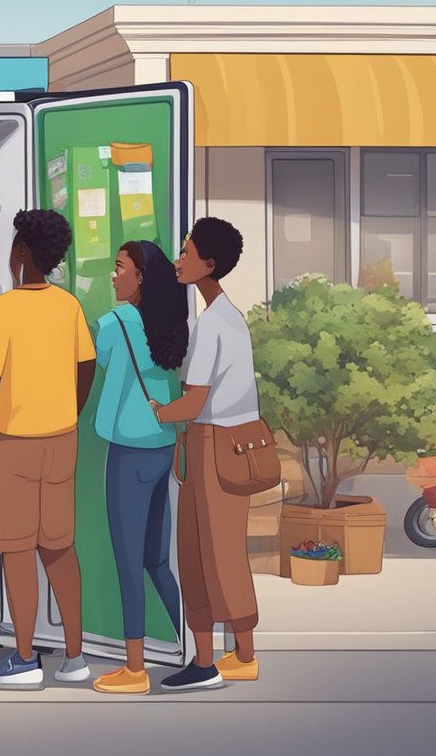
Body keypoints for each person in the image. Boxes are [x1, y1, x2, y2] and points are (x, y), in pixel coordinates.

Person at [0, 209, 96, 689]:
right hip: (62, 440)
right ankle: (74, 657)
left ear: (22, 252)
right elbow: (85, 370)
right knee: (60, 549)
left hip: (15, 445)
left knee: (18, 552)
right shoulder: (67, 305)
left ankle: (24, 659)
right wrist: (63, 411)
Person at [153, 217, 262, 692]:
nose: (179, 261)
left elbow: (194, 401)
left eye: (187, 252)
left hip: (210, 445)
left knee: (199, 553)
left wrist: (159, 412)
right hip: (235, 444)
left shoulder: (212, 324)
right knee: (226, 553)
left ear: (208, 264)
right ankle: (241, 654)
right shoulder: (231, 317)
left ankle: (205, 663)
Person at [90, 241, 188, 695]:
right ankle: (192, 643)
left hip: (128, 450)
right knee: (157, 560)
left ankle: (134, 668)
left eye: (119, 268)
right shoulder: (171, 323)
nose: (113, 276)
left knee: (128, 563)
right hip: (162, 445)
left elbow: (104, 362)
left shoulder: (114, 324)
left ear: (140, 277)